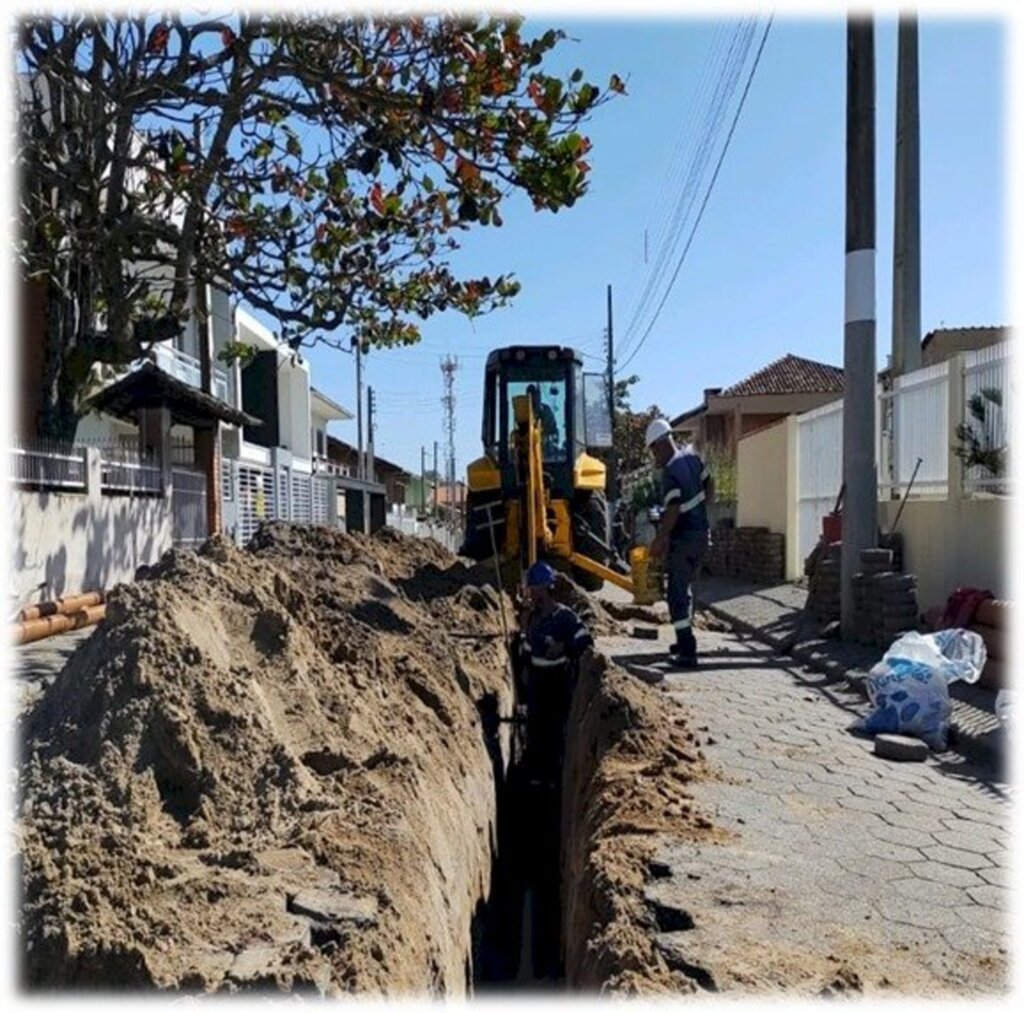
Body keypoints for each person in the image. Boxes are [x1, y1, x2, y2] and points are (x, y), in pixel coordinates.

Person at [645, 418, 714, 668]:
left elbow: (673, 508)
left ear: (661, 444)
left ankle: (687, 652)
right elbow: (710, 485)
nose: (654, 456)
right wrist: (701, 511)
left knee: (676, 594)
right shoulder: (692, 458)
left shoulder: (671, 472)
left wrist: (660, 539)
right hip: (701, 536)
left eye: (653, 450)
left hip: (683, 541)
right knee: (686, 590)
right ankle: (682, 639)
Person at [525, 384, 560, 457]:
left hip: (546, 450)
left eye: (535, 395)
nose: (533, 398)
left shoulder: (546, 410)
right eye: (530, 395)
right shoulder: (523, 410)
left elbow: (553, 428)